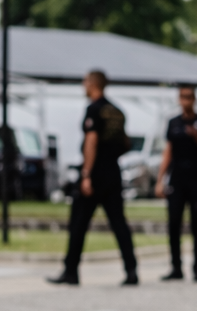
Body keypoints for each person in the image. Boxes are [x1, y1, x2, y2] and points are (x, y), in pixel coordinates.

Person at [48, 70, 138, 286]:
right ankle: (131, 270)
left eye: (85, 82)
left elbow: (91, 141)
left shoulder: (94, 109)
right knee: (119, 223)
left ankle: (71, 271)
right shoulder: (117, 111)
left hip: (96, 171)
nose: (83, 86)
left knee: (78, 222)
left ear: (92, 83)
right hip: (113, 171)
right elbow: (125, 143)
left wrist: (86, 174)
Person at [154, 85, 197, 282]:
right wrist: (160, 179)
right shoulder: (173, 123)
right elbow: (168, 152)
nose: (186, 100)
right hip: (178, 178)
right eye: (183, 97)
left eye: (189, 97)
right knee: (174, 223)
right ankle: (176, 267)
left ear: (194, 99)